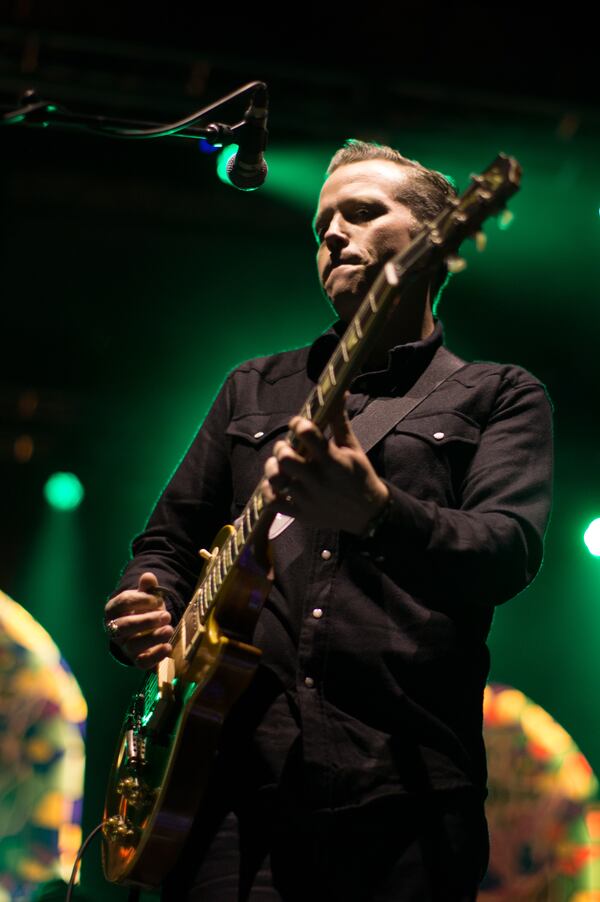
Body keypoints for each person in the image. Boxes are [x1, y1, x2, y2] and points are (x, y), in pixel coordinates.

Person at [103, 141, 553, 901]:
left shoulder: (499, 395)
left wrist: (377, 513)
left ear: (439, 241)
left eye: (362, 212)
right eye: (322, 226)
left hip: (401, 791)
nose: (333, 235)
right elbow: (169, 544)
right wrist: (147, 603)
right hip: (228, 792)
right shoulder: (254, 387)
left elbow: (505, 552)